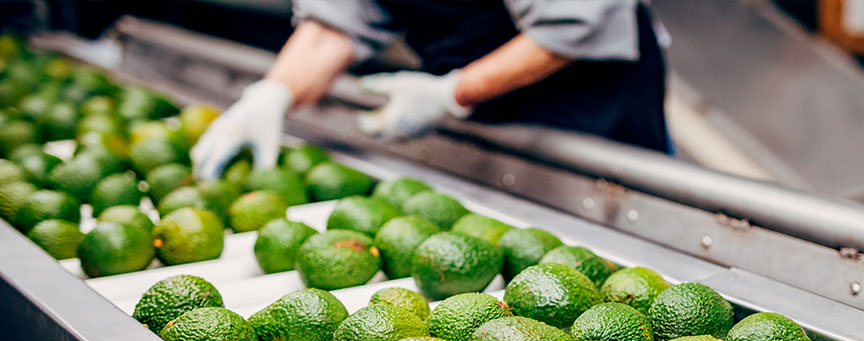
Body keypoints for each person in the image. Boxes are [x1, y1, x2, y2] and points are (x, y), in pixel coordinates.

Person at [192, 0, 671, 181]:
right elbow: (331, 27)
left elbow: (569, 24)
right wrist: (272, 94)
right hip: (482, 107)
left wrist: (452, 95)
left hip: (591, 98)